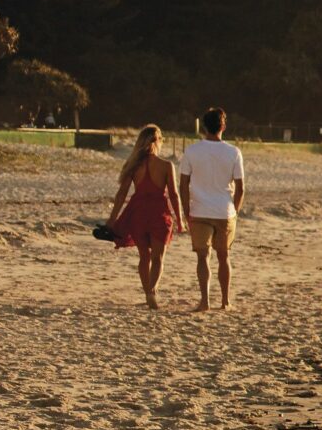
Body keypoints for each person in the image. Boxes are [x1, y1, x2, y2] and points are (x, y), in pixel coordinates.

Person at [104, 123, 185, 309]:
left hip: (138, 212)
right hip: (159, 213)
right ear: (157, 141)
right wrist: (180, 220)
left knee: (144, 257)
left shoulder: (133, 166)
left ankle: (147, 292)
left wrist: (112, 219)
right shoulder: (166, 166)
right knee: (158, 257)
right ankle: (152, 292)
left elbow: (121, 194)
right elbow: (174, 194)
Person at [176, 106, 246, 313]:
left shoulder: (191, 151)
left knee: (202, 257)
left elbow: (183, 185)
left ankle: (205, 300)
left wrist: (186, 208)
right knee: (224, 256)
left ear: (204, 126)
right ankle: (225, 301)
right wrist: (235, 211)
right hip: (224, 211)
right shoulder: (234, 152)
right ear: (223, 126)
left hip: (199, 211)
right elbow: (241, 188)